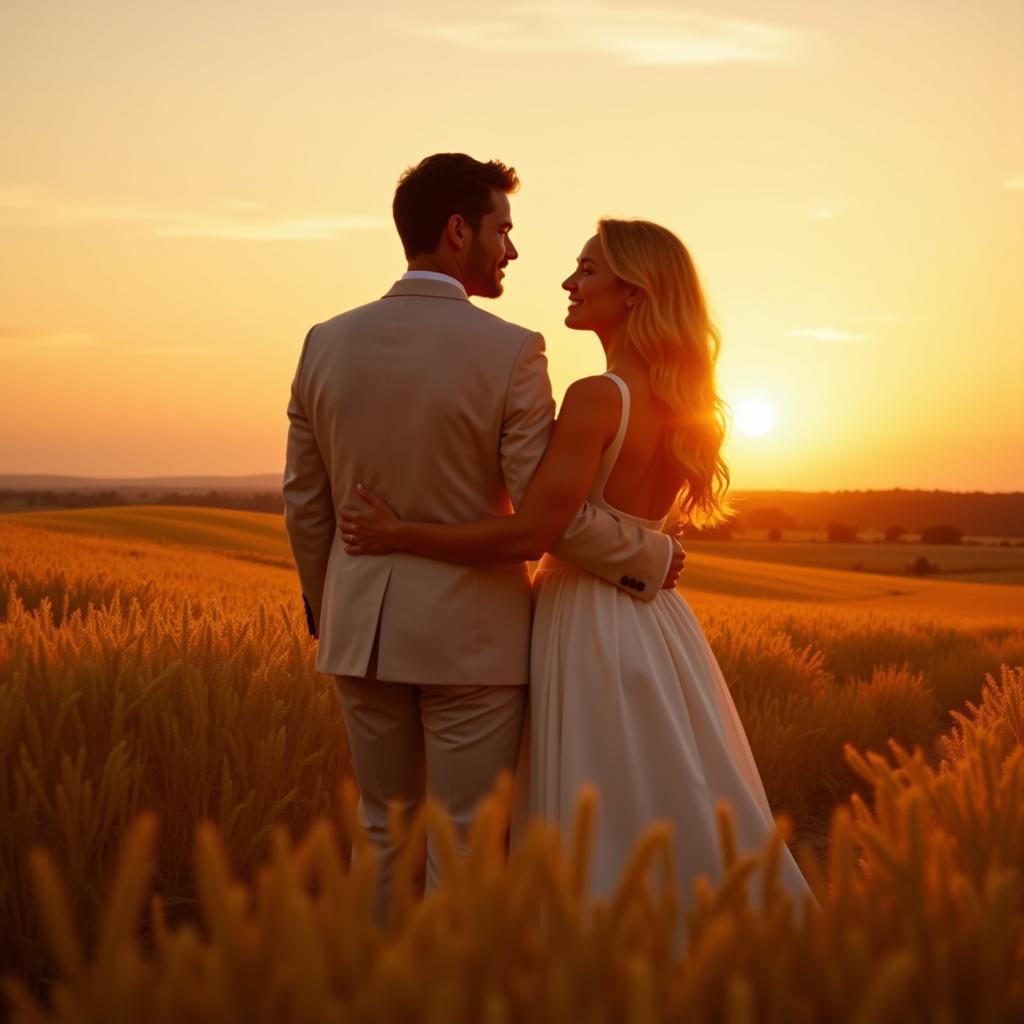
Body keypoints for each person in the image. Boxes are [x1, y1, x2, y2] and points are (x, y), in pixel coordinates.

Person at [341, 218, 817, 912]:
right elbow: (609, 525)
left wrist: (399, 531)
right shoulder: (693, 411)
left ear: (634, 293)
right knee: (667, 793)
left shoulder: (598, 398)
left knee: (594, 803)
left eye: (587, 270)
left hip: (585, 624)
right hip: (660, 628)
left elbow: (536, 532)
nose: (568, 282)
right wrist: (651, 554)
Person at [283, 155, 682, 921]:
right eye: (502, 229)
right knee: (465, 847)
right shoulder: (511, 350)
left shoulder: (323, 342)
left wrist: (326, 601)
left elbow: (306, 502)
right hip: (475, 641)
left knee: (383, 835)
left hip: (358, 630)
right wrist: (650, 552)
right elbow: (546, 513)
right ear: (458, 230)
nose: (512, 249)